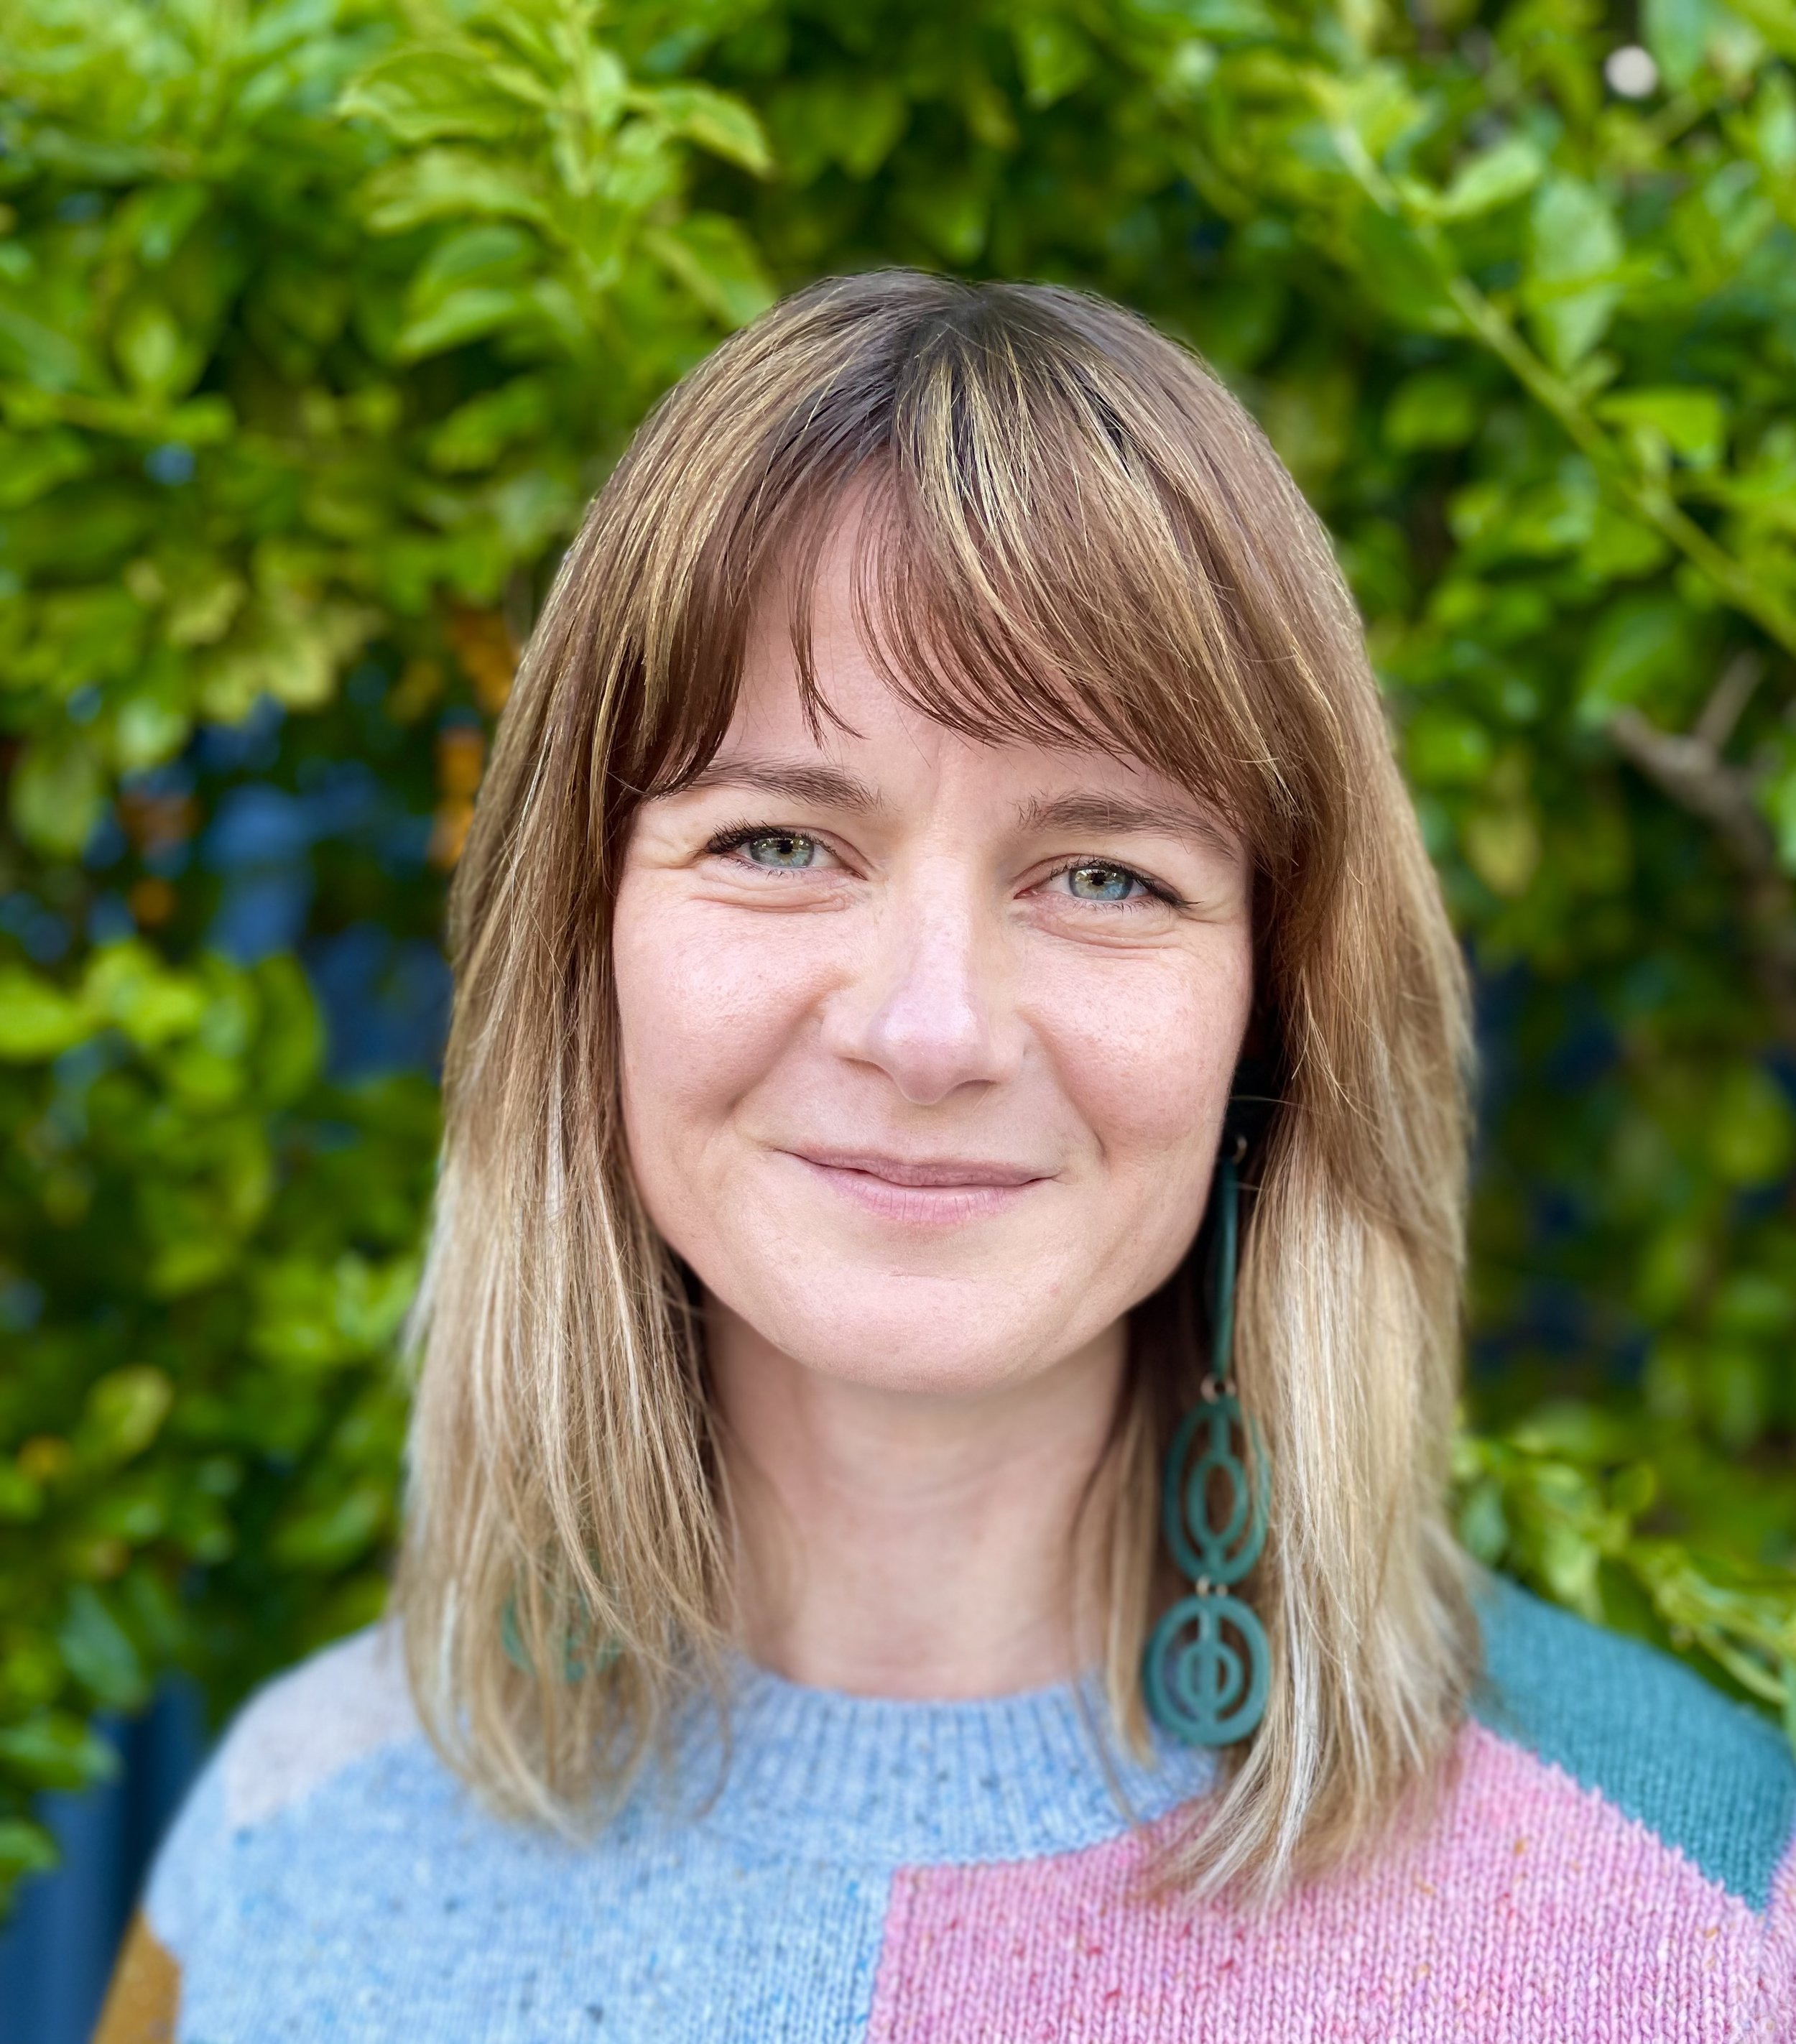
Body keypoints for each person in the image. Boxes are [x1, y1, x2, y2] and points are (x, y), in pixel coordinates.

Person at [97, 272, 1795, 2043]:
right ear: (581, 955)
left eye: (1104, 874)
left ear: (1271, 1015)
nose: (929, 1028)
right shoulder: (287, 1863)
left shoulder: (1681, 1920)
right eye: (776, 841)